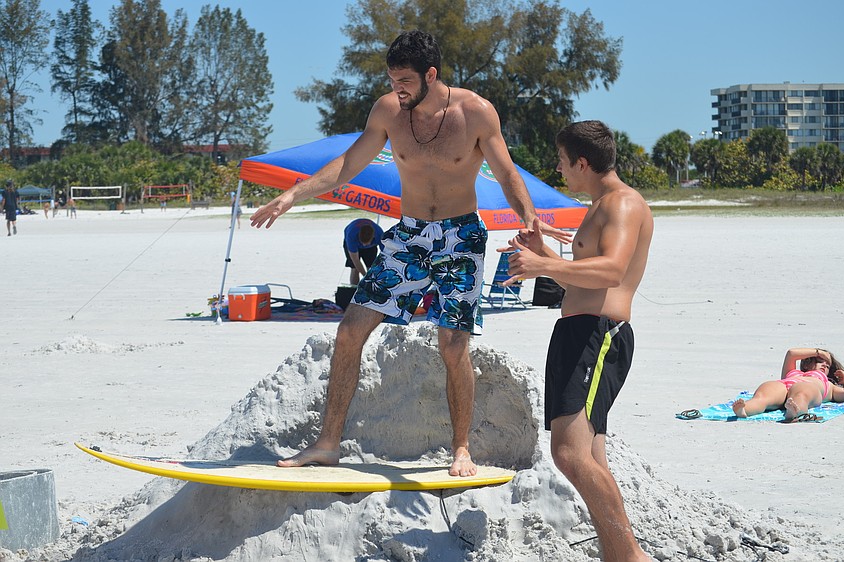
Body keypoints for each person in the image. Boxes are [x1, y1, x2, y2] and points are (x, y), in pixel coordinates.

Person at [251, 29, 569, 477]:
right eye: (392, 79)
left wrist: (529, 217)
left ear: (430, 75)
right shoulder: (388, 111)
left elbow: (507, 172)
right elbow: (347, 163)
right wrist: (292, 196)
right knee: (349, 331)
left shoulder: (475, 112)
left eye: (404, 80)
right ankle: (327, 443)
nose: (396, 89)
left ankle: (461, 449)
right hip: (409, 237)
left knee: (452, 344)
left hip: (461, 238)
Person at [502, 120, 653, 561]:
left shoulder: (622, 204)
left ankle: (630, 556)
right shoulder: (600, 204)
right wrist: (542, 254)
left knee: (568, 454)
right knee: (589, 455)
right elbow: (583, 284)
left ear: (582, 162)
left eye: (563, 161)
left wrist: (542, 266)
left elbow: (611, 273)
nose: (559, 168)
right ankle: (615, 554)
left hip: (598, 336)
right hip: (581, 332)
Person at [732, 347, 844, 420]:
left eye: (827, 365)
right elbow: (791, 353)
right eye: (819, 361)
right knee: (763, 396)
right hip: (783, 385)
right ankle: (745, 410)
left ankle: (794, 411)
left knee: (802, 393)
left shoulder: (828, 384)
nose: (824, 365)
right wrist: (818, 352)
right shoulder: (792, 372)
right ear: (807, 364)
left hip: (809, 387)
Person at [343, 218, 384, 284]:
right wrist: (366, 277)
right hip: (354, 243)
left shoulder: (379, 234)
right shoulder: (351, 235)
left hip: (371, 247)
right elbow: (356, 260)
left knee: (371, 268)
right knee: (354, 268)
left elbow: (386, 255)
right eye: (362, 242)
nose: (364, 245)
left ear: (373, 237)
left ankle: (372, 288)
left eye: (366, 243)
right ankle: (354, 289)